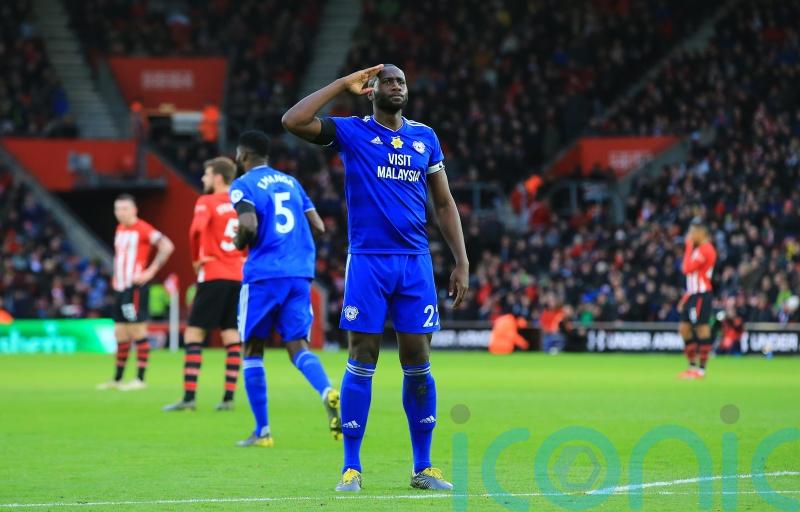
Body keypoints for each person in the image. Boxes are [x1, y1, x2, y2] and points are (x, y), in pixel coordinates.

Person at [282, 63, 469, 492]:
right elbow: (293, 121)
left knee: (418, 360)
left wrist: (461, 260)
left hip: (415, 262)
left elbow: (443, 204)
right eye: (389, 81)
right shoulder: (352, 131)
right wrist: (339, 86)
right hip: (368, 261)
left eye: (402, 81)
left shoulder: (425, 137)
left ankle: (423, 467)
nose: (397, 87)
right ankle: (351, 468)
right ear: (372, 91)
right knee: (362, 356)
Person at [229, 130, 341, 447]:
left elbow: (248, 226)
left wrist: (240, 242)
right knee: (298, 346)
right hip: (299, 275)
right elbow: (319, 226)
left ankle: (263, 431)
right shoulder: (292, 183)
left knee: (252, 349)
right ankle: (326, 391)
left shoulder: (243, 185)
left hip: (264, 275)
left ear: (243, 155)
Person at [163, 157, 245, 412]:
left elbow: (195, 231)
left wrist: (197, 260)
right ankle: (229, 398)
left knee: (194, 334)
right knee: (231, 334)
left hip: (214, 273)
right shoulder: (242, 202)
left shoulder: (206, 201)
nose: (203, 179)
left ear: (218, 178)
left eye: (206, 175)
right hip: (239, 275)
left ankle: (189, 398)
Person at [98, 194, 174, 391]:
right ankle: (117, 379)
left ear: (134, 210)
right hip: (120, 288)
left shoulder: (143, 228)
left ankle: (140, 379)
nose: (119, 213)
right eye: (117, 209)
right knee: (120, 333)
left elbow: (167, 246)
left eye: (124, 209)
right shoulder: (120, 229)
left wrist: (150, 272)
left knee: (137, 330)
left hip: (135, 287)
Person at [677, 220, 717, 379]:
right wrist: (685, 297)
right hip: (693, 294)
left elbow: (686, 269)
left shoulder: (705, 249)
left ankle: (701, 370)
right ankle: (692, 367)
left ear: (702, 233)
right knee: (684, 329)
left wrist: (687, 246)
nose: (690, 236)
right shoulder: (699, 249)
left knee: (702, 328)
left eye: (693, 232)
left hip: (702, 294)